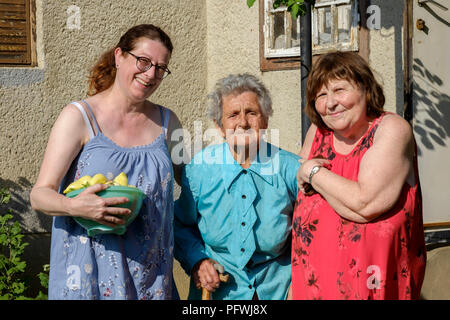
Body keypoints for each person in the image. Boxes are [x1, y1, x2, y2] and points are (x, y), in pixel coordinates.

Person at [30, 24, 184, 300]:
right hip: (89, 278)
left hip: (152, 281)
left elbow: (195, 186)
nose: (151, 74)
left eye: (160, 68)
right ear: (119, 56)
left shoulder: (168, 123)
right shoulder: (79, 117)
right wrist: (74, 205)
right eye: (143, 61)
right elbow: (40, 195)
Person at [291, 51, 426, 300]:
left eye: (339, 90)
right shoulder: (317, 134)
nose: (330, 103)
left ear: (365, 88)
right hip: (314, 289)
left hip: (375, 289)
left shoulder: (391, 130)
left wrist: (312, 171)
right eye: (321, 95)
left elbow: (365, 204)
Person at [174, 73, 300, 300]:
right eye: (233, 115)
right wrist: (198, 261)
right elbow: (179, 225)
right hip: (218, 294)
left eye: (252, 113)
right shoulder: (199, 171)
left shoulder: (291, 170)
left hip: (279, 291)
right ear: (219, 125)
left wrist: (299, 283)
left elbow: (312, 235)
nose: (243, 123)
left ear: (266, 120)